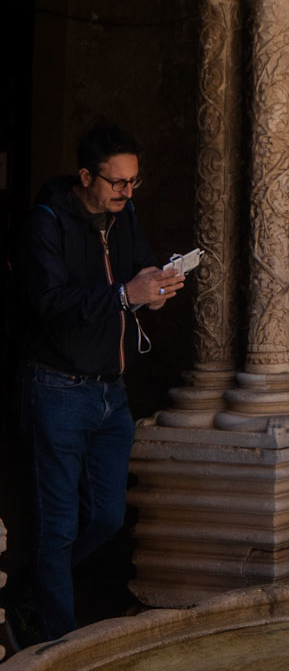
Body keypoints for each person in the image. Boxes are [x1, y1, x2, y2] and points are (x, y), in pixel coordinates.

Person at [15, 123, 184, 639]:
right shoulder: (46, 224)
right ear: (86, 177)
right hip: (57, 389)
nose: (128, 192)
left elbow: (138, 269)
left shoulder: (123, 214)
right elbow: (51, 305)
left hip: (111, 392)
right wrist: (124, 296)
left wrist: (156, 287)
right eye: (117, 182)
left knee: (107, 517)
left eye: (134, 181)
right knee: (58, 524)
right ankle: (54, 644)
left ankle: (25, 592)